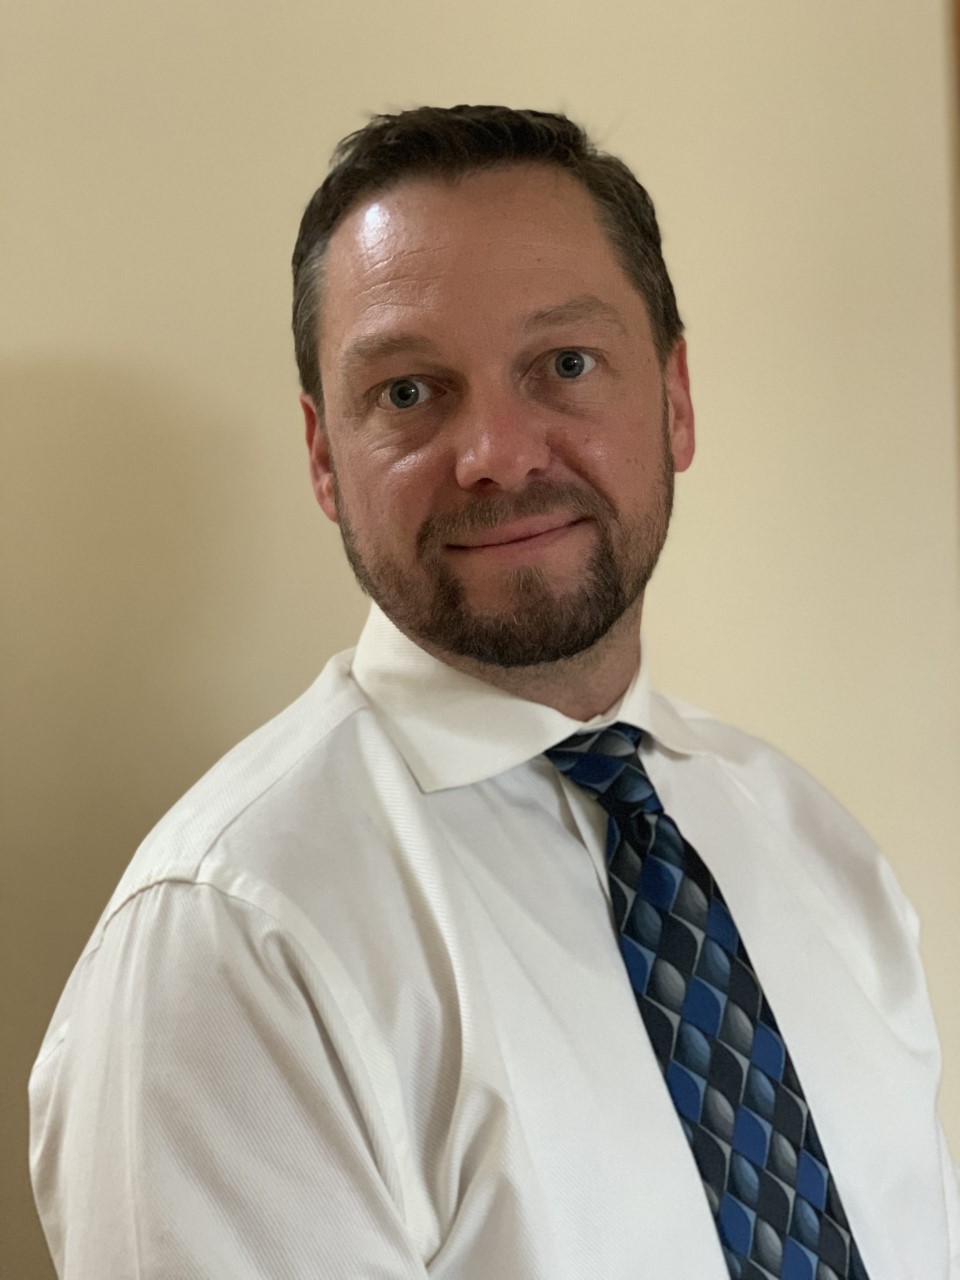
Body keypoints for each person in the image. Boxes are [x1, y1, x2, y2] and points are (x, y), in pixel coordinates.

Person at [29, 105, 959, 1278]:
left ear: (674, 398)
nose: (499, 454)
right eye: (411, 393)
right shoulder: (232, 943)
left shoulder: (814, 848)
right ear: (324, 454)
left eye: (564, 366)